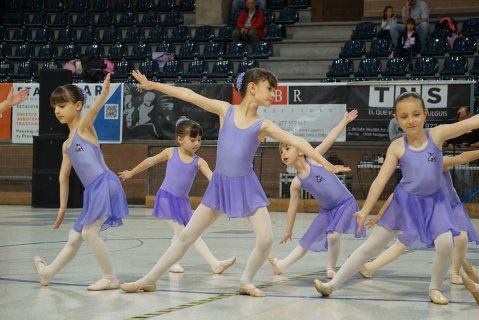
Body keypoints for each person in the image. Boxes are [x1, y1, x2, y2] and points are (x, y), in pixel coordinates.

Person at [120, 68, 350, 297]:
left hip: (246, 185)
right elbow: (189, 95)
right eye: (270, 89)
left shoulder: (263, 125)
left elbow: (297, 140)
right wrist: (154, 86)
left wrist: (326, 164)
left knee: (266, 238)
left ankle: (246, 281)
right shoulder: (225, 110)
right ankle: (149, 279)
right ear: (252, 87)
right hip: (220, 185)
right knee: (186, 236)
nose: (273, 94)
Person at [313, 91, 479, 305]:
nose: (411, 120)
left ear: (425, 114)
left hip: (434, 202)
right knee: (372, 247)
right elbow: (380, 181)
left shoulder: (437, 134)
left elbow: (475, 121)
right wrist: (365, 210)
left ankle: (435, 288)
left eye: (416, 114)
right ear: (396, 118)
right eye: (404, 116)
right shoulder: (397, 146)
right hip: (405, 202)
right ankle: (332, 285)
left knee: (446, 243)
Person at [33, 74, 129, 291]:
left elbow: (94, 110)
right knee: (74, 237)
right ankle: (46, 273)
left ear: (77, 105)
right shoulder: (66, 145)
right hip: (93, 191)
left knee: (88, 233)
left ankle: (110, 277)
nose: (57, 110)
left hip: (105, 183)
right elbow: (62, 177)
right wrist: (62, 208)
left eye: (62, 105)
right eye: (55, 106)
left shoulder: (84, 128)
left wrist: (104, 94)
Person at [118, 116, 236, 274]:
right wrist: (132, 172)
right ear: (180, 139)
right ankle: (214, 263)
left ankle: (173, 263)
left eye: (199, 140)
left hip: (182, 203)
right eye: (193, 139)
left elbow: (213, 179)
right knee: (187, 232)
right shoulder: (170, 152)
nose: (197, 143)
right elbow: (150, 161)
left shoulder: (199, 161)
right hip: (166, 198)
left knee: (181, 232)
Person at [268, 110, 366, 279]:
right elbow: (292, 208)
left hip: (345, 203)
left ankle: (330, 268)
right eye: (281, 152)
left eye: (287, 148)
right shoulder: (296, 183)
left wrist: (344, 121)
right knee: (305, 242)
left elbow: (330, 138)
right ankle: (281, 265)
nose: (283, 153)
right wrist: (288, 231)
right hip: (327, 210)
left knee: (333, 236)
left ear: (300, 151)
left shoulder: (314, 158)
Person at [358, 150, 479, 285]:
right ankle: (371, 267)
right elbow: (394, 195)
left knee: (461, 236)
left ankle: (454, 272)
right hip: (430, 212)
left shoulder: (438, 162)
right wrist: (379, 215)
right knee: (404, 242)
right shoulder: (414, 174)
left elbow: (461, 157)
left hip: (452, 207)